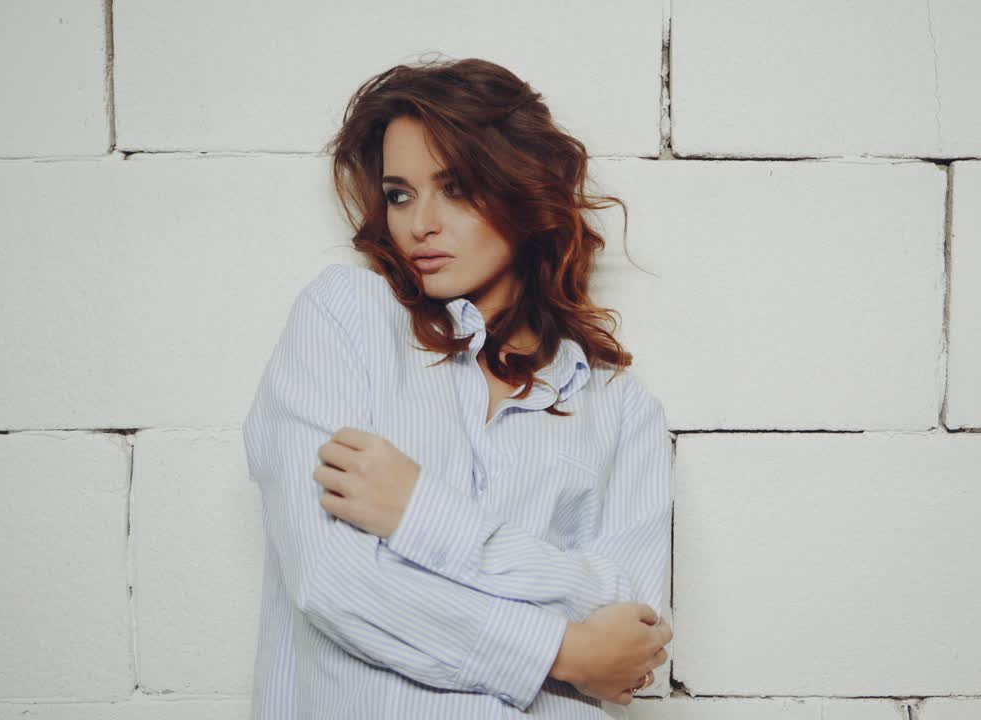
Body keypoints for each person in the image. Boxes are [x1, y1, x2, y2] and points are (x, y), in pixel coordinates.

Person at [241, 55, 673, 719]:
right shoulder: (347, 320)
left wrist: (421, 515)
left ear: (522, 190)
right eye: (400, 194)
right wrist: (563, 653)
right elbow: (334, 582)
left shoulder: (619, 407)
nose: (420, 225)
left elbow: (631, 633)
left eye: (458, 187)